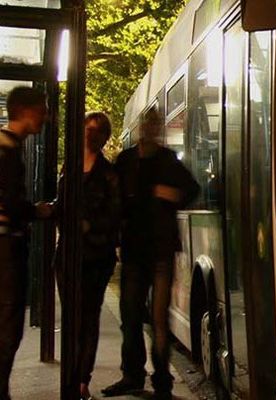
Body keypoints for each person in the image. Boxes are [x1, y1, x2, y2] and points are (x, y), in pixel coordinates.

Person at [102, 108, 199, 400]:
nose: (152, 128)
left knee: (158, 318)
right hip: (135, 250)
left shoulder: (168, 161)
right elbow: (114, 201)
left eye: (156, 123)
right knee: (130, 316)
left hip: (160, 250)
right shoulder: (126, 160)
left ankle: (161, 383)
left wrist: (171, 195)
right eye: (149, 123)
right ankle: (133, 375)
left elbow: (192, 190)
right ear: (142, 127)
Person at [52, 112, 120, 400]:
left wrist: (89, 225)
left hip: (95, 257)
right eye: (87, 129)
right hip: (68, 255)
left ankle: (81, 380)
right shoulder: (70, 167)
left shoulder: (108, 174)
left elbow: (115, 217)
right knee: (73, 318)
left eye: (97, 131)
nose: (90, 135)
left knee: (87, 318)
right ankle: (73, 376)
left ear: (104, 138)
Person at [0, 86, 50, 400]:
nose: (46, 116)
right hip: (5, 249)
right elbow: (12, 203)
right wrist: (38, 211)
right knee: (8, 326)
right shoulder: (7, 151)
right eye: (43, 109)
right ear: (27, 111)